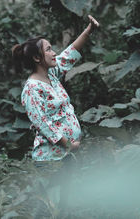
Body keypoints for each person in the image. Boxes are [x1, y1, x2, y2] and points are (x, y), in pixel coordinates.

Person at [11, 15, 100, 161]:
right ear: (36, 58)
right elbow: (43, 124)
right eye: (49, 50)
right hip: (50, 159)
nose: (54, 53)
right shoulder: (31, 89)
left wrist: (89, 30)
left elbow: (69, 54)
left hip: (65, 156)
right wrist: (69, 145)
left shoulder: (51, 74)